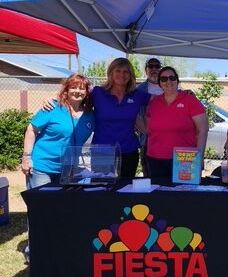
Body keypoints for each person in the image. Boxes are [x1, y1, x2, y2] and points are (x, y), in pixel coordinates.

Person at [21, 73, 95, 263]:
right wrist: (26, 157)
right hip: (42, 167)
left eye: (82, 88)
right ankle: (34, 252)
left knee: (62, 209)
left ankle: (57, 248)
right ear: (66, 89)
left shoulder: (90, 114)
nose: (78, 91)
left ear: (87, 92)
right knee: (40, 209)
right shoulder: (52, 107)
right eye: (74, 87)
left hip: (68, 170)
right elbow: (31, 130)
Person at [144, 66, 208, 178]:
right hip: (155, 158)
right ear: (159, 83)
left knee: (182, 194)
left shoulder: (190, 100)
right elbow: (148, 128)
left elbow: (202, 130)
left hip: (185, 158)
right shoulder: (154, 103)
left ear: (177, 81)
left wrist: (200, 157)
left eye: (172, 78)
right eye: (164, 79)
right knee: (158, 194)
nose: (168, 81)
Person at [90, 57, 150, 178]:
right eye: (118, 71)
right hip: (102, 151)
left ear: (130, 75)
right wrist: (52, 101)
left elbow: (161, 99)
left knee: (126, 192)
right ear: (111, 73)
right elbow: (74, 101)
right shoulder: (97, 93)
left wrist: (184, 94)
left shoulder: (137, 94)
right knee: (102, 189)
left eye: (126, 72)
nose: (122, 75)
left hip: (129, 151)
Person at [137, 57, 163, 176]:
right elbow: (135, 115)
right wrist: (147, 132)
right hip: (148, 140)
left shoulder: (170, 85)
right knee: (150, 176)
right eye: (150, 66)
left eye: (157, 66)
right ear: (145, 70)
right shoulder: (138, 90)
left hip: (170, 139)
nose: (154, 69)